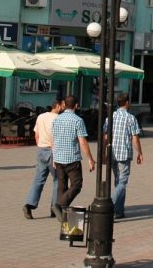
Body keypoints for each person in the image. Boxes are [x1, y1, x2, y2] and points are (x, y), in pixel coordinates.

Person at [52, 95, 96, 224]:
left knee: (62, 186)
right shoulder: (78, 120)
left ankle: (62, 212)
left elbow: (54, 139)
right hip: (71, 158)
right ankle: (59, 205)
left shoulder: (56, 119)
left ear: (64, 105)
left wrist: (54, 156)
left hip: (59, 157)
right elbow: (82, 141)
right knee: (76, 185)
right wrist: (90, 159)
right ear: (76, 105)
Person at [104, 93, 143, 219]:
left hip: (112, 153)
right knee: (122, 181)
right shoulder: (130, 118)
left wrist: (104, 152)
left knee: (118, 181)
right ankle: (110, 203)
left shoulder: (110, 117)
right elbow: (135, 137)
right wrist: (140, 152)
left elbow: (105, 136)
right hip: (124, 154)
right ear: (126, 103)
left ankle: (119, 211)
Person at [23, 99, 63, 219]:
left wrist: (40, 146)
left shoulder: (41, 117)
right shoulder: (58, 119)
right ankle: (55, 207)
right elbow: (56, 138)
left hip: (41, 149)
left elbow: (36, 134)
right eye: (62, 105)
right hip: (52, 150)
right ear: (58, 106)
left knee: (38, 180)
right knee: (58, 180)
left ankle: (29, 204)